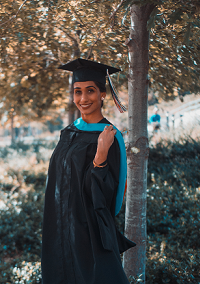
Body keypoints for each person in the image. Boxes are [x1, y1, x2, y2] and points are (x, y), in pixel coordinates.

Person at [41, 58, 136, 284]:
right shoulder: (68, 133)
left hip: (88, 233)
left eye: (90, 91)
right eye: (78, 91)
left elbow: (111, 201)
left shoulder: (111, 137)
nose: (83, 99)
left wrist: (100, 158)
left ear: (103, 94)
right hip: (59, 228)